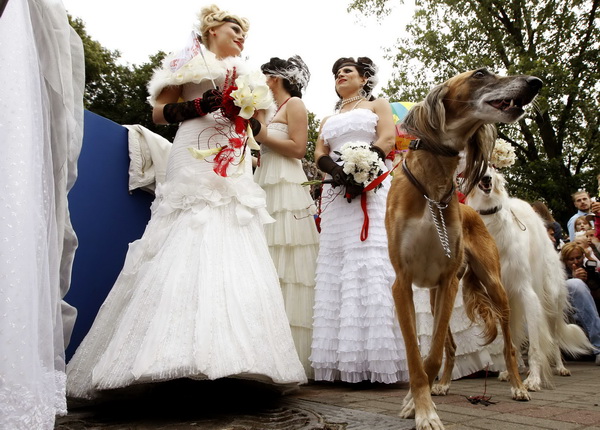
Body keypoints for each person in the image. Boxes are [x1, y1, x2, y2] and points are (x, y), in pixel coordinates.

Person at [66, 5, 307, 399]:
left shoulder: (250, 75)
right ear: (212, 29)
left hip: (233, 160)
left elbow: (259, 126)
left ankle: (240, 357)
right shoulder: (184, 61)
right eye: (234, 28)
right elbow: (159, 113)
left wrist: (242, 113)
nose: (241, 37)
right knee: (185, 231)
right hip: (191, 152)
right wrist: (200, 105)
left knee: (233, 236)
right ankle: (164, 355)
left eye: (244, 32)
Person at [309, 56, 408, 383]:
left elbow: (386, 139)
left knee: (372, 258)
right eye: (336, 73)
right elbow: (319, 151)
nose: (340, 76)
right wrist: (338, 172)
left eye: (346, 71)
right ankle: (343, 362)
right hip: (337, 195)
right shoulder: (328, 117)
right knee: (338, 263)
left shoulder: (378, 104)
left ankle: (379, 360)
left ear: (364, 78)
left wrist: (364, 167)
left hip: (373, 187)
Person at [252, 56, 319, 378]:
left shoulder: (295, 105)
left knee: (289, 258)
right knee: (261, 253)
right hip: (263, 179)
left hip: (287, 183)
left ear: (275, 78)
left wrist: (262, 135)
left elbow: (297, 148)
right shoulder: (264, 109)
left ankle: (294, 350)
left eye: (263, 75)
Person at [561, 242, 600, 364]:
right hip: (570, 324)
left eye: (578, 258)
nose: (575, 262)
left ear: (583, 257)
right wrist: (573, 279)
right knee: (575, 284)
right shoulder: (559, 274)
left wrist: (591, 281)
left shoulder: (590, 270)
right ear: (564, 261)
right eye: (570, 259)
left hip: (592, 321)